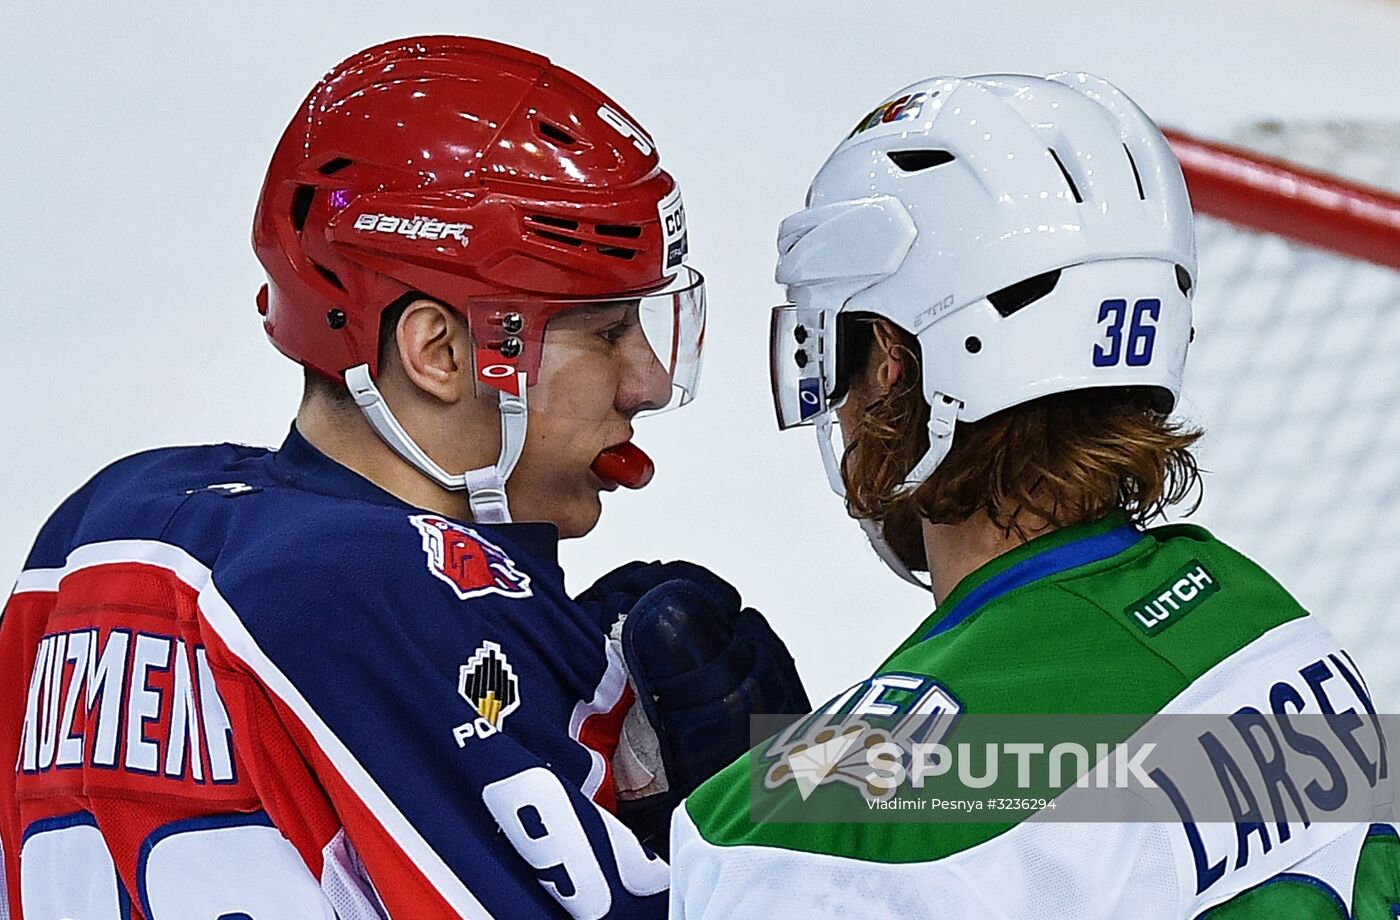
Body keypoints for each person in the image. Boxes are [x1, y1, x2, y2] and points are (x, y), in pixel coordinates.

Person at [0, 36, 805, 918]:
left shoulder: (95, 534)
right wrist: (794, 794)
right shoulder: (393, 595)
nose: (645, 382)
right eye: (609, 331)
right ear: (440, 351)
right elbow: (882, 870)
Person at [670, 73, 1395, 917]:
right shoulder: (1270, 628)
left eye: (834, 347)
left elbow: (919, 810)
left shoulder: (803, 835)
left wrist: (765, 794)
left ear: (895, 365)